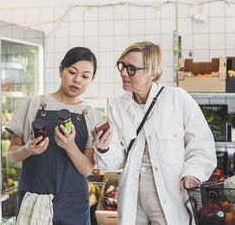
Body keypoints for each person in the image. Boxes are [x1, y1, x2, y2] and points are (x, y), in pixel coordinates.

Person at [92, 41, 217, 225]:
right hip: (133, 201)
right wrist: (104, 149)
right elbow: (117, 160)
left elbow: (202, 145)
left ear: (153, 72)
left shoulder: (177, 99)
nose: (123, 72)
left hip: (172, 196)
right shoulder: (118, 107)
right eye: (122, 65)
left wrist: (193, 173)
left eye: (132, 68)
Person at [5, 47, 103, 225]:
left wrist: (70, 146)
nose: (76, 80)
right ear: (60, 70)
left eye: (85, 76)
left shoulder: (92, 115)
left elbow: (87, 169)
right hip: (34, 202)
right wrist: (28, 149)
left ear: (92, 79)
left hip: (73, 205)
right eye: (72, 72)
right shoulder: (34, 104)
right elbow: (11, 155)